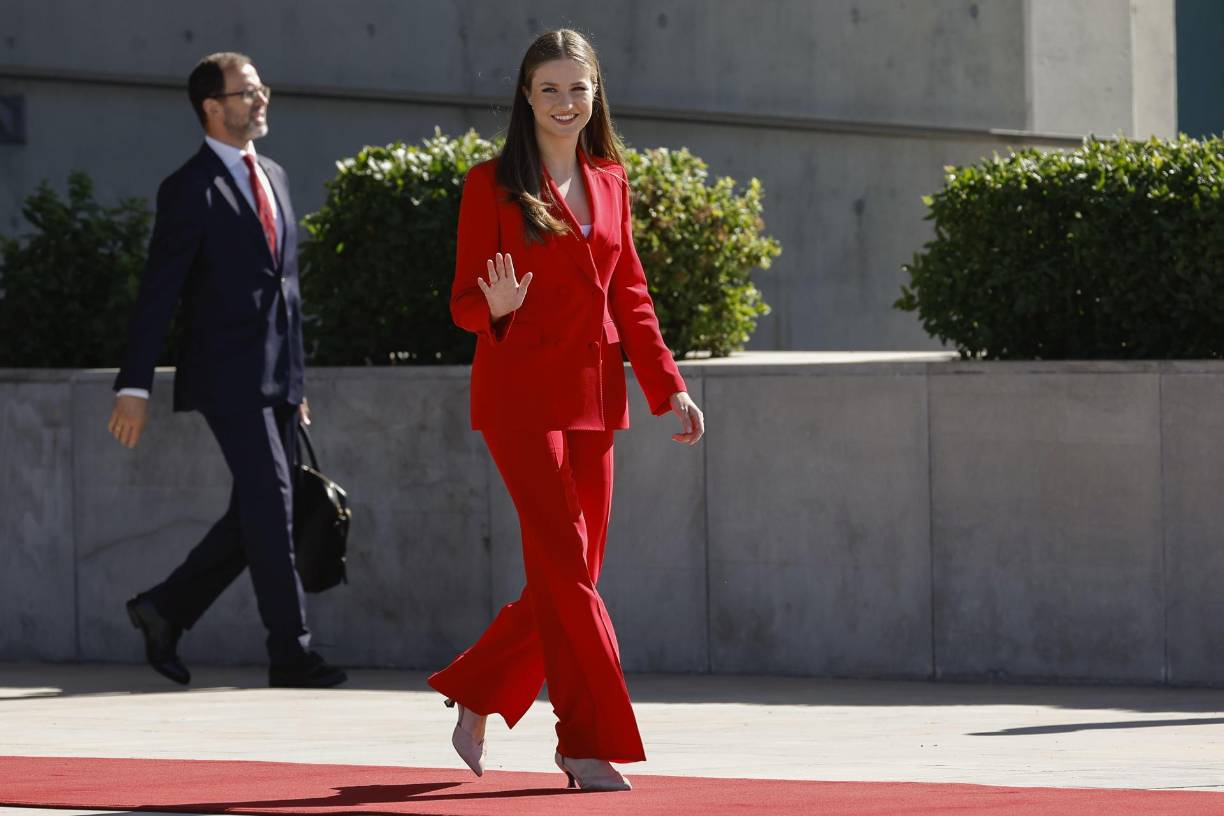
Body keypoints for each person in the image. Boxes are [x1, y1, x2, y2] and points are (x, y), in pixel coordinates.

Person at [427, 29, 705, 792]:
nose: (564, 103)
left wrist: (667, 384)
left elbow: (632, 293)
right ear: (526, 94)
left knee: (570, 573)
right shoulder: (490, 183)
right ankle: (587, 742)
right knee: (570, 578)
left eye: (577, 88)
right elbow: (460, 304)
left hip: (595, 397)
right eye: (549, 89)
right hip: (518, 396)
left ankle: (479, 687)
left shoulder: (611, 180)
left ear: (595, 94)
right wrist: (497, 306)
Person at [108, 52, 346, 690]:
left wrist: (297, 384)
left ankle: (165, 610)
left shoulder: (275, 174)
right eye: (246, 92)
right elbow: (159, 293)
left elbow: (287, 292)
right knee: (270, 504)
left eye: (261, 88)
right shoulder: (187, 187)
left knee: (263, 510)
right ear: (212, 107)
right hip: (226, 376)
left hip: (277, 379)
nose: (260, 99)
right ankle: (291, 654)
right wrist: (134, 385)